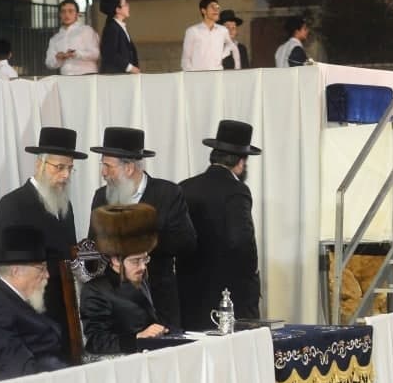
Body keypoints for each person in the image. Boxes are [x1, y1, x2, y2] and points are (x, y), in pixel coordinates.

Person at [88, 127, 196, 327]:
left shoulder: (167, 194)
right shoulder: (101, 196)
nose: (103, 173)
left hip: (159, 302)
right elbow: (94, 245)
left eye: (108, 166)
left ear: (128, 168)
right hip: (115, 304)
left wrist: (142, 240)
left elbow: (186, 242)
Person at [0, 126, 87, 353]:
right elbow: (5, 268)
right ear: (40, 164)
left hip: (66, 313)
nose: (65, 175)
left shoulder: (65, 205)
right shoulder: (14, 204)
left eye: (70, 169)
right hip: (32, 316)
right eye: (59, 167)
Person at [178, 119, 263, 330]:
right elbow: (242, 244)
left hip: (188, 293)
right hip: (229, 299)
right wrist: (251, 285)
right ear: (241, 162)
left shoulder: (184, 187)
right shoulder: (237, 190)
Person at [0, 225, 69, 382]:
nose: (47, 275)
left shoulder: (17, 300)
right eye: (41, 268)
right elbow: (23, 371)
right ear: (16, 271)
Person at [81, 204, 170, 354]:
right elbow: (96, 341)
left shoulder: (140, 280)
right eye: (136, 261)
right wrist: (137, 338)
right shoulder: (95, 290)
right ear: (115, 260)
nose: (142, 267)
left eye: (145, 259)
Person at [44, 0, 100, 76]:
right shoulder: (55, 39)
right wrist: (58, 58)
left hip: (87, 76)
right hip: (66, 78)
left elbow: (96, 54)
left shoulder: (86, 30)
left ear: (77, 14)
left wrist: (76, 54)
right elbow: (48, 63)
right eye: (63, 11)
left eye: (70, 11)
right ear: (60, 15)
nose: (66, 14)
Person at [181, 0, 233, 71]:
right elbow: (185, 58)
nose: (216, 11)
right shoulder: (192, 31)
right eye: (213, 8)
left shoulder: (223, 30)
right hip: (198, 75)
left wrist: (222, 55)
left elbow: (230, 44)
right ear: (203, 11)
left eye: (217, 8)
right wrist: (192, 74)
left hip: (217, 74)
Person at [99, 0, 140, 75]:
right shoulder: (112, 28)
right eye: (125, 4)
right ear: (117, 9)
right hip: (115, 75)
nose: (128, 6)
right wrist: (130, 67)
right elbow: (110, 53)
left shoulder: (118, 26)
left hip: (122, 75)